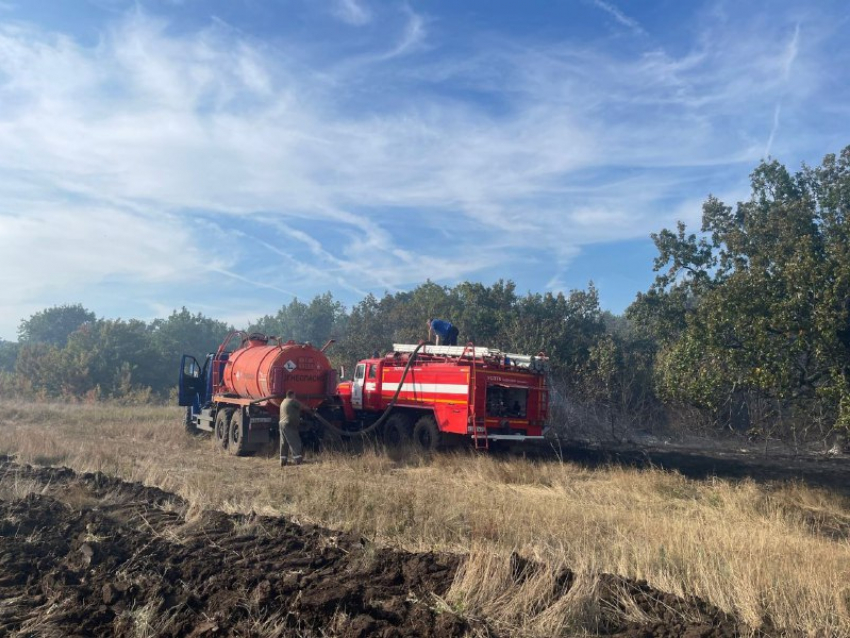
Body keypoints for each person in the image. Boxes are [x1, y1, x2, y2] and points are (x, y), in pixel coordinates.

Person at [280, 390, 306, 466]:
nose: (295, 397)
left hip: (282, 424)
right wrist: (311, 409)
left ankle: (283, 460)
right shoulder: (292, 401)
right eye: (294, 395)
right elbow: (303, 407)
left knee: (284, 443)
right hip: (289, 424)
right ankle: (298, 460)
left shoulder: (283, 401)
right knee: (295, 441)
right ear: (292, 395)